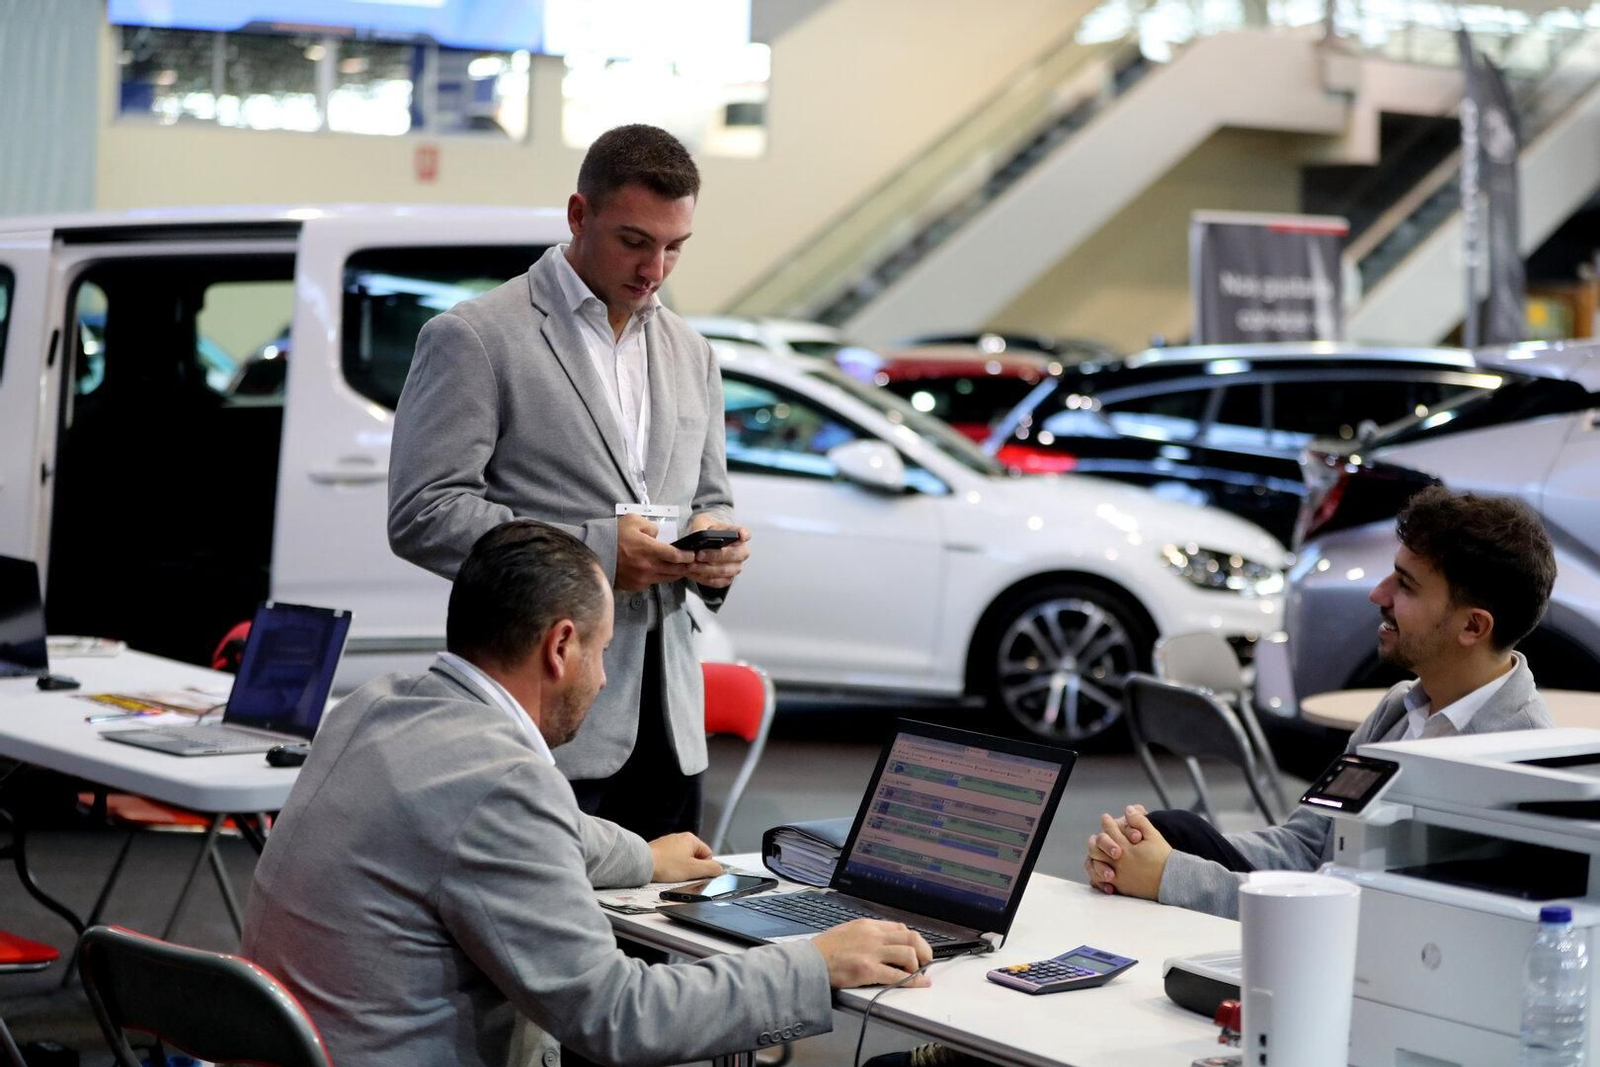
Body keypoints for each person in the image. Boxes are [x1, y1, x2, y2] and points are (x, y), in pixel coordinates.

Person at [241, 520, 932, 1067]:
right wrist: (814, 964)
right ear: (560, 646)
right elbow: (617, 1016)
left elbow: (520, 830)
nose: (603, 678)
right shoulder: (502, 781)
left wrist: (643, 857)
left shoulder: (374, 708)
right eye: (602, 651)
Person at [388, 124, 746, 840]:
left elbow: (709, 496)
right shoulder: (477, 336)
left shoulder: (693, 352)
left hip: (669, 721)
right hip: (542, 715)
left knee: (669, 914)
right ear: (579, 215)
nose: (654, 269)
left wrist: (715, 546)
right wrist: (597, 551)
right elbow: (424, 513)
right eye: (634, 241)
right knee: (543, 915)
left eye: (675, 247)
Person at [1085, 486, 1558, 919]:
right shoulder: (1400, 709)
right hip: (1322, 927)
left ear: (1472, 627)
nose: (1378, 594)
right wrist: (1150, 855)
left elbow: (1363, 914)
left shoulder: (1516, 764)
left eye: (1406, 586)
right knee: (1171, 830)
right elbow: (1308, 846)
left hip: (1367, 959)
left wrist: (1172, 877)